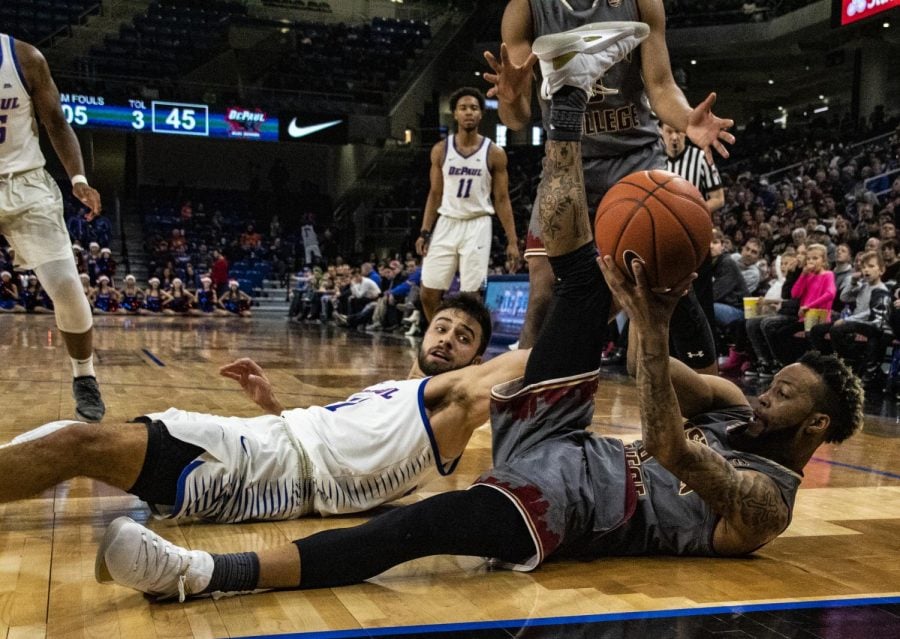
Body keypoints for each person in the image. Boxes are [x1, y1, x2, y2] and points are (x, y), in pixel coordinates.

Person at [93, 57, 863, 603]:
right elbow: (641, 361)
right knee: (588, 269)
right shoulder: (732, 401)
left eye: (785, 393)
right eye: (775, 381)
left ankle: (200, 574)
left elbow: (666, 447)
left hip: (574, 506)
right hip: (568, 436)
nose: (765, 395)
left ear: (817, 423)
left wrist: (656, 328)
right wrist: (640, 295)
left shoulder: (769, 504)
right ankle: (563, 100)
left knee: (415, 528)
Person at [0, 295, 528, 526]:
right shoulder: (393, 392)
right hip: (269, 441)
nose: (448, 340)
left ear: (476, 361)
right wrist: (276, 406)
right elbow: (339, 436)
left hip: (265, 467)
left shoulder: (454, 411)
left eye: (464, 339)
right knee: (67, 435)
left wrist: (580, 281)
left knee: (77, 445)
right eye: (443, 327)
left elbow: (531, 360)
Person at [483, 1, 734, 375]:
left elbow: (662, 86)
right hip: (567, 159)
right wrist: (510, 98)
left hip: (635, 160)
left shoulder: (642, 3)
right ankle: (528, 409)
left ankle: (701, 408)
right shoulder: (526, 8)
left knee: (662, 291)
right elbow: (517, 117)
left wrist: (686, 119)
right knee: (543, 294)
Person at [0, 33, 106, 421]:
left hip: (26, 184)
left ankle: (84, 376)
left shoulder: (25, 57)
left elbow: (56, 122)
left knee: (65, 285)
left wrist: (78, 177)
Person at [415, 87, 519, 322]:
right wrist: (424, 231)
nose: (468, 112)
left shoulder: (494, 152)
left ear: (481, 114)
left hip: (478, 224)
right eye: (463, 108)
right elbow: (435, 193)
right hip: (447, 221)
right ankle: (439, 335)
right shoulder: (441, 150)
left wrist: (512, 241)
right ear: (454, 114)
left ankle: (468, 344)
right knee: (428, 292)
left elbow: (502, 199)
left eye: (473, 108)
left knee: (471, 295)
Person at [661, 123, 724, 213]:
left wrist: (692, 214)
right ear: (661, 132)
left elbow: (718, 199)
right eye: (669, 132)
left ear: (685, 132)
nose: (674, 137)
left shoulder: (701, 157)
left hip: (695, 224)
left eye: (678, 131)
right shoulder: (654, 160)